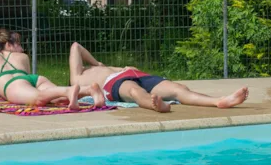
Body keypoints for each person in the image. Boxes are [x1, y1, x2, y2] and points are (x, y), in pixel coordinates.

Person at [69, 42, 249, 113]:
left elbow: (81, 49)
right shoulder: (77, 78)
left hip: (134, 74)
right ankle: (157, 106)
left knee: (178, 88)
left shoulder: (98, 67)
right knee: (134, 91)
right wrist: (97, 65)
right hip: (114, 83)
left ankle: (219, 101)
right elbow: (76, 47)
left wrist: (97, 63)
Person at [0, 29, 103, 108]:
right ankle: (89, 90)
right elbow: (27, 79)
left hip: (12, 85)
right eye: (18, 44)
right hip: (34, 79)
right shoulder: (23, 56)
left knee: (39, 99)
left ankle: (69, 91)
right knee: (59, 99)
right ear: (8, 45)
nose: (22, 48)